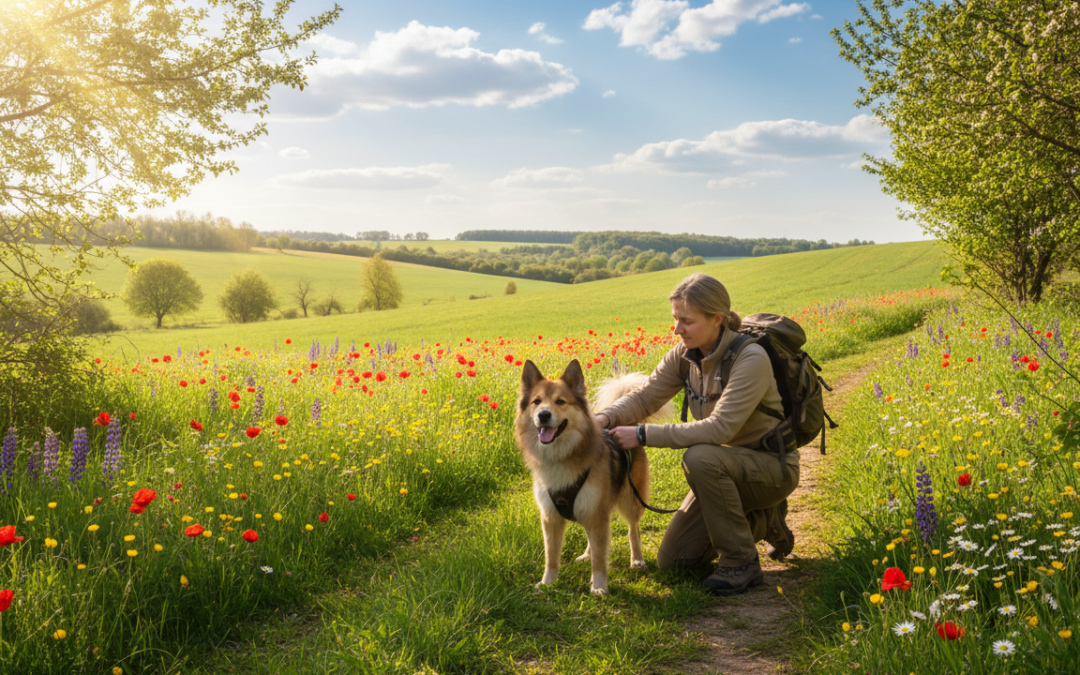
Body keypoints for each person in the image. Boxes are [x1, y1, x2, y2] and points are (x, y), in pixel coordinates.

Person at [595, 273, 799, 596]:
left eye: (686, 321)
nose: (677, 329)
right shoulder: (684, 356)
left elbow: (720, 428)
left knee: (700, 457)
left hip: (771, 467)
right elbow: (646, 397)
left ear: (717, 319)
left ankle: (741, 562)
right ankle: (766, 522)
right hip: (725, 471)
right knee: (673, 560)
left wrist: (643, 435)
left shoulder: (750, 358)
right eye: (675, 319)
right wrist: (603, 418)